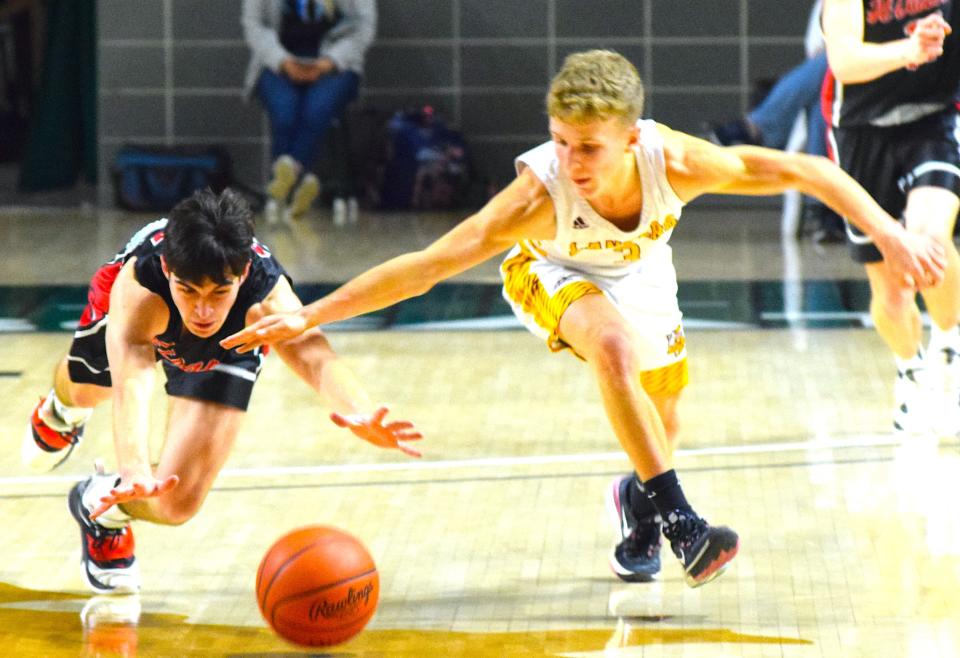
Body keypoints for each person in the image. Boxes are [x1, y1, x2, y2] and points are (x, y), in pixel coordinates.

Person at [221, 50, 946, 587]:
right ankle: (682, 521)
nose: (569, 160)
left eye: (588, 147)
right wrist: (310, 313)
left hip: (640, 268)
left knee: (662, 423)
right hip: (549, 266)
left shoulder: (681, 163)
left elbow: (808, 172)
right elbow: (429, 264)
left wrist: (888, 232)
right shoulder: (535, 196)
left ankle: (637, 499)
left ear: (633, 138)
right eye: (560, 142)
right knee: (612, 346)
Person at [23, 188, 421, 594]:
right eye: (189, 291)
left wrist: (362, 411)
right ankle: (60, 413)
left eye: (218, 293)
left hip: (232, 344)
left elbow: (315, 358)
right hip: (146, 323)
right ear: (168, 270)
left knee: (177, 502)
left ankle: (101, 509)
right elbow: (133, 380)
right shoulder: (142, 285)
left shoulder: (264, 296)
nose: (203, 311)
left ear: (243, 274)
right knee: (90, 389)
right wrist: (135, 466)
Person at [822, 1, 960, 439]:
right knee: (891, 288)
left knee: (929, 239)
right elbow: (843, 62)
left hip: (934, 121)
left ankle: (951, 350)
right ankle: (911, 370)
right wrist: (910, 50)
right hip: (861, 131)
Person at [707, 1, 845, 243]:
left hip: (888, 71)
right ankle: (824, 212)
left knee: (832, 66)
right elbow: (817, 44)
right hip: (843, 79)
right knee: (823, 94)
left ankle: (756, 128)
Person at [242, 0, 375, 225]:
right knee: (284, 109)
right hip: (277, 60)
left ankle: (284, 182)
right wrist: (283, 61)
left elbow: (363, 27)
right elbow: (253, 24)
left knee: (318, 107)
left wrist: (328, 63)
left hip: (335, 62)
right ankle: (298, 183)